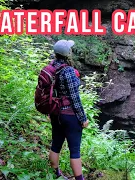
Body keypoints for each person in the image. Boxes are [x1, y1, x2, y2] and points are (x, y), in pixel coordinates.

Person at [49, 40, 89, 180]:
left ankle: (55, 175)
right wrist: (83, 118)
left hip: (55, 113)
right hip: (69, 115)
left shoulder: (51, 68)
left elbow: (51, 93)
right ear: (67, 53)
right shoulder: (68, 71)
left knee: (56, 144)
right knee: (75, 151)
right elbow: (74, 97)